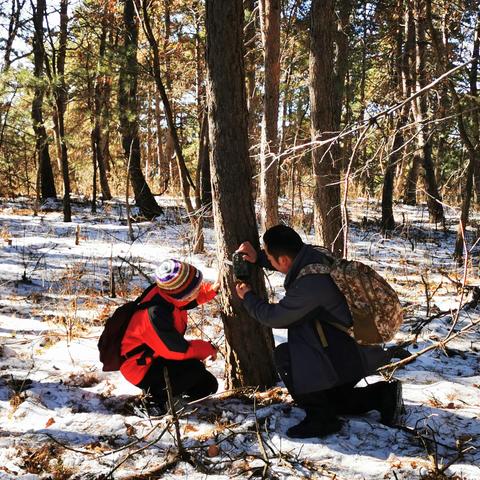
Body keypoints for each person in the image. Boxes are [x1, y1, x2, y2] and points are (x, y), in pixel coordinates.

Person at [235, 225, 403, 439]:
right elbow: (286, 261)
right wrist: (258, 257)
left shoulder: (311, 286)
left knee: (288, 355)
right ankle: (382, 396)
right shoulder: (314, 255)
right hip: (355, 352)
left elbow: (275, 317)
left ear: (284, 259)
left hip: (345, 355)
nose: (267, 257)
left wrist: (247, 297)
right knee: (334, 399)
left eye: (268, 254)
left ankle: (321, 419)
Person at [120, 259, 219, 415]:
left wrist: (211, 290)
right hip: (141, 368)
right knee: (195, 369)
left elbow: (186, 302)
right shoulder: (156, 313)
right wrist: (207, 349)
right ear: (182, 294)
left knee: (207, 386)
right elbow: (176, 350)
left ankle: (171, 394)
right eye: (196, 289)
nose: (199, 289)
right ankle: (149, 403)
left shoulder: (169, 296)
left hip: (158, 357)